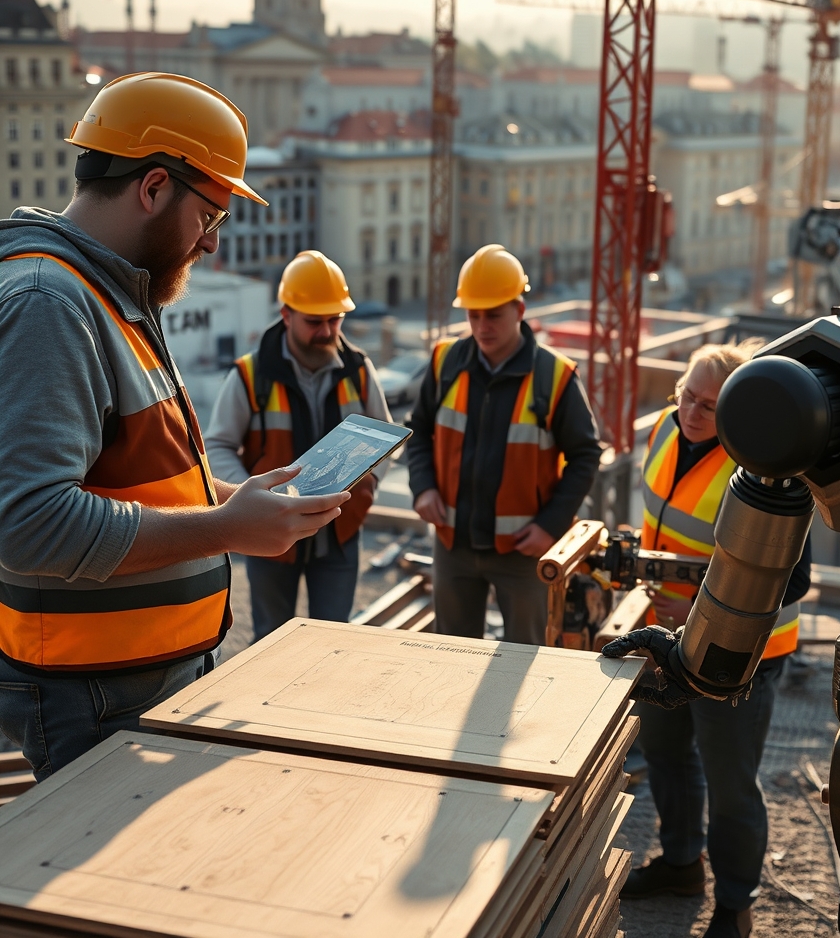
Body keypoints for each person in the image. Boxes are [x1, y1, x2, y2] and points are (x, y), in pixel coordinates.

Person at [0, 72, 351, 780]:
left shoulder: (106, 291)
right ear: (154, 187)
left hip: (127, 679)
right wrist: (227, 530)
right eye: (211, 216)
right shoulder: (51, 303)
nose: (212, 244)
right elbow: (28, 522)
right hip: (94, 689)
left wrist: (228, 499)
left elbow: (129, 474)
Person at [621, 341, 811, 938]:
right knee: (665, 753)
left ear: (734, 410)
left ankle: (736, 903)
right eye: (687, 396)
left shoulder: (760, 462)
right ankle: (681, 865)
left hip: (740, 655)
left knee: (730, 784)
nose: (694, 412)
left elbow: (795, 577)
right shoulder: (662, 431)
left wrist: (701, 599)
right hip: (668, 637)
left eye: (710, 404)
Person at [407, 244, 602, 645]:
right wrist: (423, 486)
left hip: (523, 552)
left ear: (519, 309)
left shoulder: (554, 377)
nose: (481, 326)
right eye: (472, 315)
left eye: (493, 314)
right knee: (450, 655)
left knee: (522, 662)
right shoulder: (446, 363)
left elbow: (585, 456)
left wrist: (549, 526)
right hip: (453, 543)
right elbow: (419, 429)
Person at [205, 251, 392, 640]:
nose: (326, 331)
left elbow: (386, 438)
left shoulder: (358, 369)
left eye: (334, 320)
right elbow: (218, 446)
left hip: (339, 533)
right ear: (286, 314)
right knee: (271, 642)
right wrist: (251, 497)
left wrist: (368, 486)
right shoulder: (249, 375)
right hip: (271, 536)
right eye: (314, 322)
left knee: (333, 642)